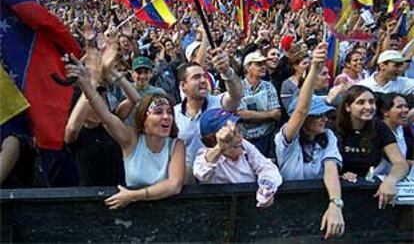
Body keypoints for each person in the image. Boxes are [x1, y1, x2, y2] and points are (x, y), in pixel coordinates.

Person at [65, 55, 185, 209]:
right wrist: (88, 82)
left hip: (162, 212)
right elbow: (104, 112)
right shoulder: (131, 139)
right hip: (121, 209)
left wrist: (133, 195)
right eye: (158, 112)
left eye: (169, 112)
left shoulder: (176, 145)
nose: (166, 116)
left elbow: (174, 185)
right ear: (144, 119)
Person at [274, 43, 345, 239]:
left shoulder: (328, 136)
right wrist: (314, 68)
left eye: (326, 114)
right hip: (286, 208)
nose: (324, 118)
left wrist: (335, 203)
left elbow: (330, 168)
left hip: (317, 205)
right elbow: (301, 110)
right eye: (318, 115)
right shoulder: (286, 137)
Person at [335, 85, 409, 208]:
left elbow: (401, 164)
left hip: (370, 190)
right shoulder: (334, 129)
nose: (368, 107)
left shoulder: (379, 128)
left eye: (371, 102)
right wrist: (340, 175)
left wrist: (390, 181)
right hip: (338, 192)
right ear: (348, 107)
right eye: (361, 102)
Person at [174, 48, 243, 179]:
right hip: (189, 183)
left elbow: (236, 95)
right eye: (196, 77)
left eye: (203, 76)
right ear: (183, 86)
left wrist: (226, 72)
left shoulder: (218, 104)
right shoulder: (173, 114)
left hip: (220, 178)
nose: (203, 81)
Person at [193, 108, 282, 208]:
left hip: (251, 208)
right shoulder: (206, 156)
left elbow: (266, 167)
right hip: (221, 213)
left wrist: (267, 188)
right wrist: (220, 147)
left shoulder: (243, 144)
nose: (240, 137)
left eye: (238, 130)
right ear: (214, 140)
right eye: (232, 134)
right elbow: (200, 172)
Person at [237, 51, 282, 157]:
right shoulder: (238, 88)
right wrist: (268, 114)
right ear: (247, 67)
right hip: (244, 141)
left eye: (263, 64)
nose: (263, 67)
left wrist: (250, 115)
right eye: (258, 64)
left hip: (266, 139)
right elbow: (239, 114)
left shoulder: (269, 86)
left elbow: (276, 114)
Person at [376, 93, 413, 174]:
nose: (406, 110)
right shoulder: (378, 131)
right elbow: (396, 162)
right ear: (385, 112)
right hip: (377, 179)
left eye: (406, 106)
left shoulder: (401, 129)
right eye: (399, 107)